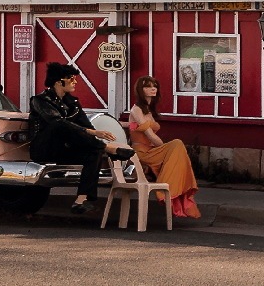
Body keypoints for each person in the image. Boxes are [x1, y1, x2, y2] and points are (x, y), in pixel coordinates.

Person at [28, 63, 134, 214]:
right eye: (71, 79)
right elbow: (58, 123)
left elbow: (86, 126)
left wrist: (94, 133)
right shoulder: (40, 100)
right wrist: (93, 134)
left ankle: (80, 201)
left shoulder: (73, 103)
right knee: (59, 124)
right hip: (45, 149)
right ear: (59, 81)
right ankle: (107, 148)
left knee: (93, 152)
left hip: (65, 149)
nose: (75, 82)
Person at [125, 76, 202, 219]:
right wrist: (166, 147)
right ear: (140, 90)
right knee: (177, 145)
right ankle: (166, 189)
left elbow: (132, 126)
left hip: (151, 150)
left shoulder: (148, 110)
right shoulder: (137, 110)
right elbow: (150, 135)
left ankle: (174, 188)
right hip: (142, 152)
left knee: (177, 151)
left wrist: (129, 126)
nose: (153, 88)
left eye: (154, 86)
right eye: (148, 86)